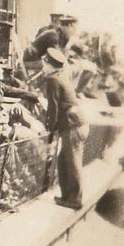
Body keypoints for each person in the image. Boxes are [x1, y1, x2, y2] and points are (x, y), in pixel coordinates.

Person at [42, 48, 87, 210]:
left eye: (44, 63)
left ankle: (74, 200)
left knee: (72, 161)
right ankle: (67, 196)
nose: (42, 66)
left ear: (49, 64)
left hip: (72, 125)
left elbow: (53, 107)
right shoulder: (61, 77)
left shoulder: (53, 79)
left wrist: (50, 129)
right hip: (76, 124)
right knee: (63, 161)